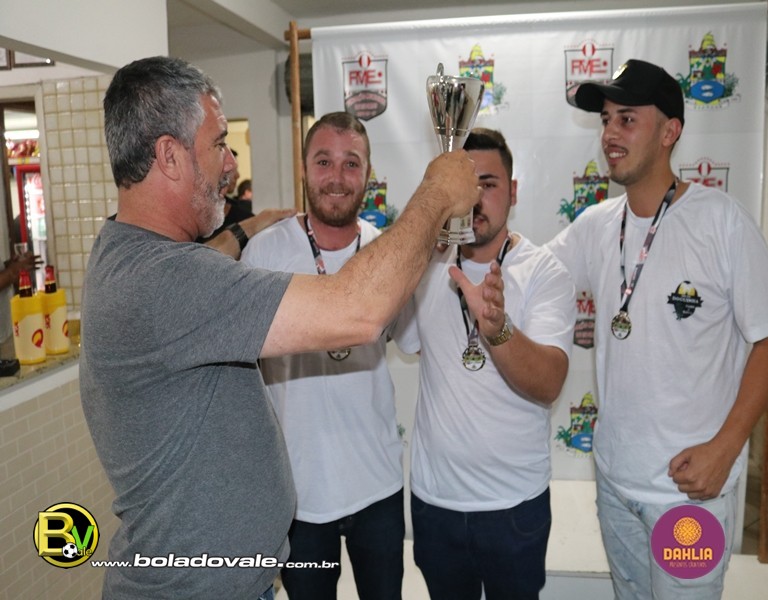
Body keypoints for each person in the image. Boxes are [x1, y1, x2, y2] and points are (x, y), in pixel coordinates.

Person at [80, 56, 482, 600]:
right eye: (220, 144)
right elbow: (358, 309)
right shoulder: (165, 280)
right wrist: (436, 192)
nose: (231, 163)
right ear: (170, 156)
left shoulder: (140, 261)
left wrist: (243, 228)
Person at [547, 58, 768, 599]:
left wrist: (727, 447)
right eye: (606, 119)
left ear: (669, 132)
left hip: (690, 497)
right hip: (616, 484)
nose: (610, 134)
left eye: (627, 119)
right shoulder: (595, 225)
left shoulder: (720, 221)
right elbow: (531, 276)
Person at [395, 128, 576, 599]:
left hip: (513, 506)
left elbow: (548, 382)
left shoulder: (544, 272)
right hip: (436, 504)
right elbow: (407, 341)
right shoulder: (427, 267)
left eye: (489, 184)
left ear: (513, 191)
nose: (475, 198)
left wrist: (497, 329)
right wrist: (420, 248)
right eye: (465, 185)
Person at [241, 112, 410, 600]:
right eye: (323, 162)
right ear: (303, 168)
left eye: (351, 163)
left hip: (377, 486)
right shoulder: (265, 255)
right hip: (299, 495)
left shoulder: (388, 256)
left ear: (368, 174)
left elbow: (410, 338)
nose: (337, 177)